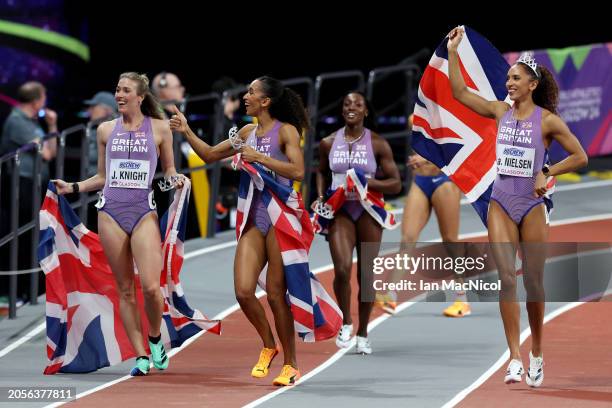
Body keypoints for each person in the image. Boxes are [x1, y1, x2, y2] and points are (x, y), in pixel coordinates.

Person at [447, 27, 588, 387]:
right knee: (507, 280)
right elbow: (459, 92)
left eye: (515, 78)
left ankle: (537, 351)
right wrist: (453, 51)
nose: (508, 83)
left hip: (532, 205)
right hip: (501, 202)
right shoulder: (499, 112)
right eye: (508, 78)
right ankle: (514, 357)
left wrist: (547, 170)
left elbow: (580, 156)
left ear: (532, 85)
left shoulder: (548, 121)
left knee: (535, 285)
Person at [170, 76, 309, 386]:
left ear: (266, 101)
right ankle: (268, 344)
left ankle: (291, 364)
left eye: (251, 92)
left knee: (275, 294)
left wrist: (259, 157)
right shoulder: (246, 132)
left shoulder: (285, 132)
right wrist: (186, 130)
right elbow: (208, 154)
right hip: (252, 216)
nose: (245, 96)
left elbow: (299, 171)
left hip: (279, 217)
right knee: (243, 291)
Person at [52, 72, 184, 376]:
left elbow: (170, 170)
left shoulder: (161, 128)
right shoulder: (105, 129)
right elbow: (102, 177)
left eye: (125, 90)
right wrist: (71, 187)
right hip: (110, 211)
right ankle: (140, 356)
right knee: (124, 289)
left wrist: (177, 179)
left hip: (142, 212)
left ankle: (154, 339)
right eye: (117, 90)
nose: (119, 95)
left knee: (151, 288)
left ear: (140, 97)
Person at [314, 91, 401, 354]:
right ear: (342, 111)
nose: (352, 107)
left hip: (368, 212)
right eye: (347, 104)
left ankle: (363, 332)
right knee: (341, 269)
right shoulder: (328, 143)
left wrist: (366, 182)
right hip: (340, 211)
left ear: (366, 112)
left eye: (358, 104)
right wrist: (320, 196)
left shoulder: (378, 143)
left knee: (366, 275)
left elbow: (396, 183)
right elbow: (320, 171)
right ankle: (346, 321)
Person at [376, 114, 469, 318]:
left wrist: (426, 158)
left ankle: (462, 298)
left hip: (444, 181)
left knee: (450, 240)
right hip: (421, 181)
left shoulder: (451, 117)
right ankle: (391, 294)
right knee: (408, 238)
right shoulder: (413, 118)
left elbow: (454, 151)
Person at [0, 81, 58, 302]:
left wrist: (52, 127)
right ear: (37, 101)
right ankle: (18, 292)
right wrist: (51, 129)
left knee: (33, 235)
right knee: (23, 236)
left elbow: (49, 150)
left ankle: (29, 290)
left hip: (33, 185)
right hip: (20, 186)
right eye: (43, 97)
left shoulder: (32, 123)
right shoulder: (17, 122)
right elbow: (48, 154)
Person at [84, 91, 118, 177]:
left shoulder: (119, 131)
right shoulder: (91, 130)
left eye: (93, 107)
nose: (89, 110)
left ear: (107, 110)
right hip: (89, 182)